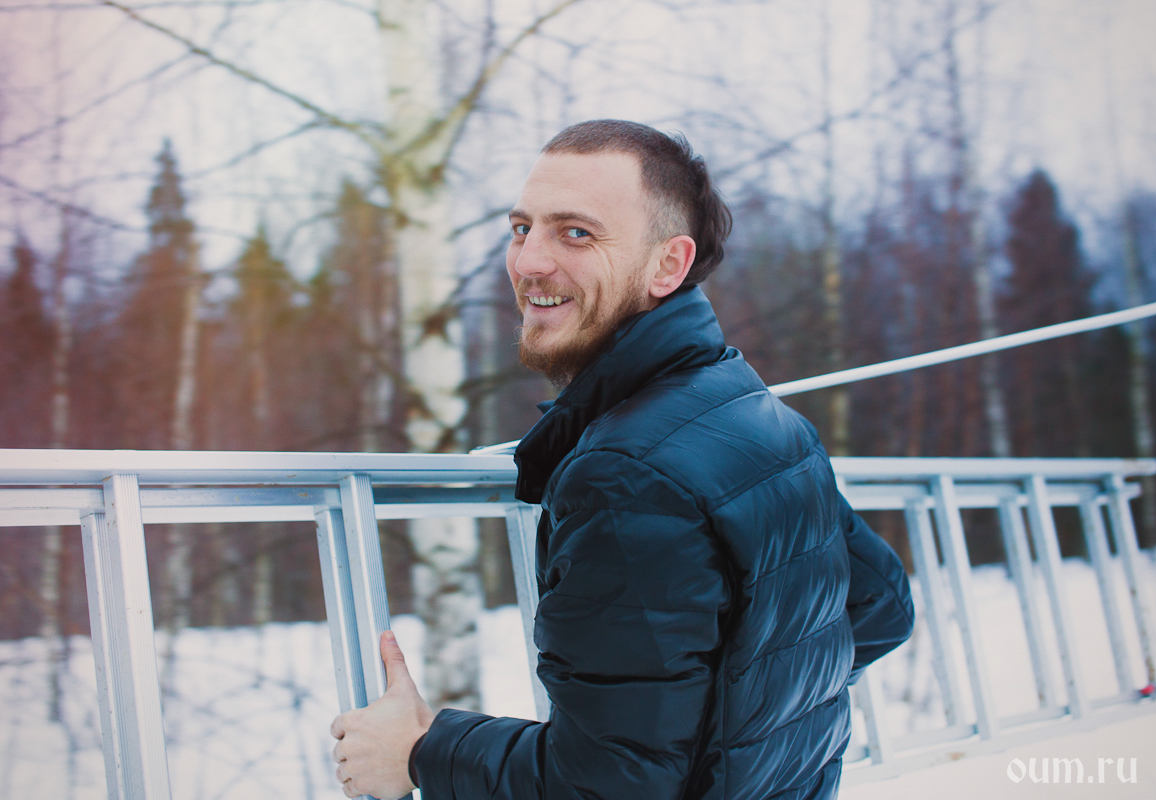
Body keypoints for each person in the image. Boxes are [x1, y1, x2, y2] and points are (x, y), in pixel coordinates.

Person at [331, 119, 914, 800]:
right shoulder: (757, 414)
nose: (528, 262)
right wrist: (740, 731)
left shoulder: (622, 475)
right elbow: (880, 608)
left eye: (576, 233)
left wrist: (422, 750)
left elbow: (608, 785)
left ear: (668, 265)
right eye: (522, 228)